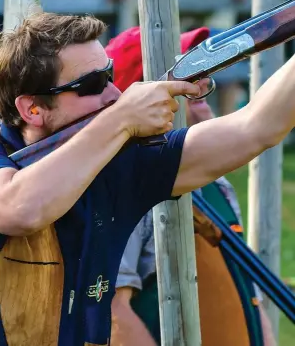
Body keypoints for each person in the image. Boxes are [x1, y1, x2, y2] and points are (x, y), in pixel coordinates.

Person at [0, 11, 295, 346]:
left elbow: (257, 127)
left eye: (109, 76)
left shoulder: (122, 163)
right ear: (32, 108)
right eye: (92, 86)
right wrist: (124, 117)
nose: (114, 94)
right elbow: (21, 208)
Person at [105, 26, 276, 346]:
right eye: (188, 80)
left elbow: (246, 295)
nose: (202, 87)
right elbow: (111, 314)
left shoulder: (217, 185)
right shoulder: (124, 184)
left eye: (203, 77)